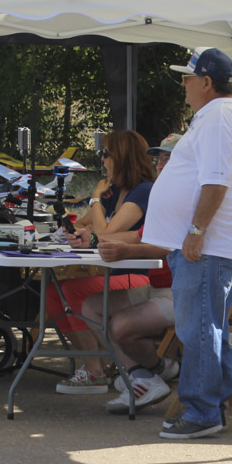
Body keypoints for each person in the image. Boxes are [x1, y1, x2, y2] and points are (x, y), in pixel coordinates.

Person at [142, 46, 232, 439]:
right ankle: (209, 407)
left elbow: (216, 179)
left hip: (207, 247)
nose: (184, 86)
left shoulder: (219, 118)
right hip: (212, 245)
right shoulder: (222, 117)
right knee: (208, 328)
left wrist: (197, 229)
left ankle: (203, 411)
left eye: (188, 78)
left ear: (207, 82)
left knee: (199, 330)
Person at [78, 132, 184, 414]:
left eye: (168, 158)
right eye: (158, 158)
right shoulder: (163, 195)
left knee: (120, 325)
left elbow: (165, 247)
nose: (160, 165)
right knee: (91, 306)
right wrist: (92, 240)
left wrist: (117, 246)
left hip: (182, 292)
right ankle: (149, 373)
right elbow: (135, 236)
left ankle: (144, 377)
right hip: (158, 286)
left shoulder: (182, 198)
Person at [48, 130, 155, 395]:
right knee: (53, 293)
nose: (102, 160)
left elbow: (104, 232)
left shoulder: (143, 191)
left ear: (123, 158)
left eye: (106, 154)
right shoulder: (116, 190)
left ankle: (95, 371)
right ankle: (95, 365)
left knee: (71, 291)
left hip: (141, 275)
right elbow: (86, 224)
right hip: (116, 272)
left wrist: (95, 199)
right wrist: (79, 225)